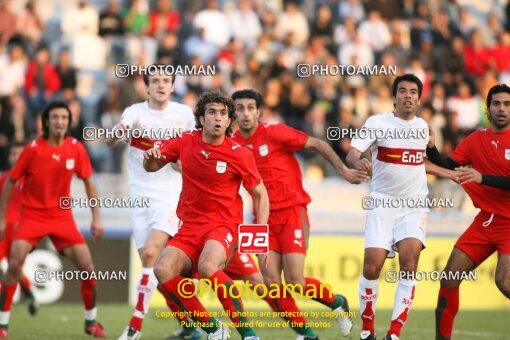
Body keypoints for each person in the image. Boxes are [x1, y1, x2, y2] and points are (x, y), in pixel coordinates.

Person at [231, 89, 370, 339]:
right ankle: (307, 333)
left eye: (250, 107)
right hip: (259, 219)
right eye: (239, 108)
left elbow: (317, 143)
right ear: (234, 113)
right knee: (270, 286)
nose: (245, 113)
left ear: (258, 111)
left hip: (292, 211)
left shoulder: (274, 132)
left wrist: (344, 171)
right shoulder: (232, 144)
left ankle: (338, 302)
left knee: (295, 282)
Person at [144, 91, 269, 340]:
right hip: (189, 226)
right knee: (162, 269)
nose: (218, 118)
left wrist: (259, 238)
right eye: (212, 112)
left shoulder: (238, 153)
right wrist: (149, 158)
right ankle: (214, 328)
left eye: (223, 114)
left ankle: (248, 333)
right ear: (201, 118)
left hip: (222, 225)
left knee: (208, 266)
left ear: (229, 121)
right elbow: (152, 166)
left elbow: (260, 194)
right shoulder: (185, 141)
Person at [345, 74, 455, 340]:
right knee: (372, 267)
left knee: (409, 262)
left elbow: (421, 162)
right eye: (403, 91)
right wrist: (357, 161)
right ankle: (368, 328)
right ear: (394, 97)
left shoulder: (423, 128)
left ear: (419, 97)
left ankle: (394, 333)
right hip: (382, 201)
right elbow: (352, 152)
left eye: (413, 91)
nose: (408, 95)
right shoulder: (377, 122)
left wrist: (449, 173)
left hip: (414, 205)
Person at [106, 65, 199, 340]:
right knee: (158, 272)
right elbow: (111, 141)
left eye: (166, 81)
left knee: (149, 255)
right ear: (146, 87)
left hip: (171, 197)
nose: (161, 85)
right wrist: (118, 131)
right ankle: (191, 324)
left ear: (172, 86)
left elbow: (194, 152)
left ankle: (134, 327)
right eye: (155, 81)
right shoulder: (134, 113)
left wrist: (181, 164)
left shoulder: (183, 114)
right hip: (139, 197)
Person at [0, 101, 106, 339]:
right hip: (32, 216)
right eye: (55, 117)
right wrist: (2, 218)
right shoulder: (33, 148)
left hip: (61, 218)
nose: (60, 122)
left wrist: (96, 219)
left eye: (64, 118)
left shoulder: (76, 148)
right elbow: (11, 181)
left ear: (69, 122)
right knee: (15, 265)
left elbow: (89, 182)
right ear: (47, 122)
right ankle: (2, 325)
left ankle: (91, 322)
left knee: (88, 269)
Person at [426, 84, 510, 340]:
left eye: (507, 104)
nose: (502, 109)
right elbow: (448, 165)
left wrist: (481, 177)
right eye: (496, 104)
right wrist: (431, 148)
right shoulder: (476, 139)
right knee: (449, 277)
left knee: (504, 282)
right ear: (488, 108)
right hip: (486, 222)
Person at [0, 142, 37, 316]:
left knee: (14, 268)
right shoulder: (3, 179)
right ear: (9, 156)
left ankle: (27, 293)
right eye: (13, 153)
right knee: (13, 269)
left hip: (20, 234)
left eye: (19, 154)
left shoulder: (33, 179)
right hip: (2, 230)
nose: (16, 157)